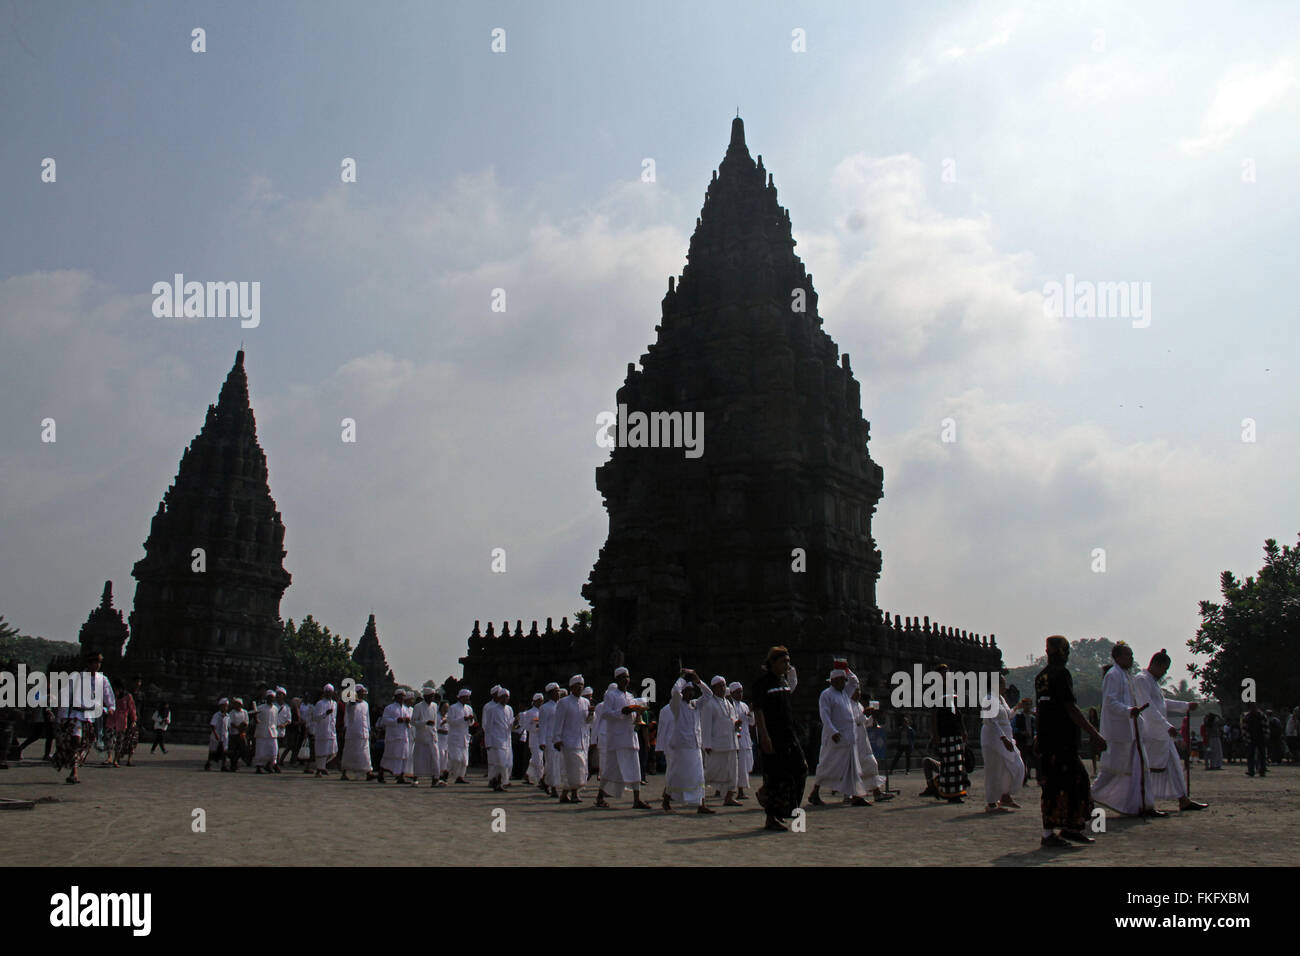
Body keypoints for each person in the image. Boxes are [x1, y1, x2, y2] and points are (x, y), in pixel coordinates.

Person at [1035, 635, 1107, 847]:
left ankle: (1067, 828)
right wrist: (1095, 734)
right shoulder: (1061, 674)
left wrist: (1039, 734)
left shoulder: (1041, 676)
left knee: (1054, 785)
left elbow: (1041, 708)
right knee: (1077, 782)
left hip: (1049, 739)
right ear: (1062, 652)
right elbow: (1071, 708)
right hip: (1061, 739)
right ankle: (1056, 831)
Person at [1092, 642, 1160, 817]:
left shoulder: (1127, 676)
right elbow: (1110, 702)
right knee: (1110, 771)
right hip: (1118, 733)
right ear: (1118, 657)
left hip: (1132, 731)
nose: (1131, 658)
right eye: (1128, 655)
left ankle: (1143, 805)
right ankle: (1088, 796)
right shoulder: (1113, 675)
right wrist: (1129, 711)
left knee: (1139, 768)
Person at [1133, 649, 1207, 811]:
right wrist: (1166, 725)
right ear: (1155, 665)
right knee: (1148, 769)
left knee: (1173, 764)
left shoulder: (1152, 681)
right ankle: (1143, 802)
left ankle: (1183, 799)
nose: (1164, 673)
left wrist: (1185, 706)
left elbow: (1162, 703)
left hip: (1161, 733)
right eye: (1164, 669)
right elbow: (1148, 707)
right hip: (1151, 732)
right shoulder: (1141, 679)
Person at [753, 646, 807, 832]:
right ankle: (771, 817)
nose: (787, 665)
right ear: (773, 663)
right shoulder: (763, 683)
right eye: (783, 661)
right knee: (775, 777)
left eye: (788, 661)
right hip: (773, 736)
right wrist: (764, 737)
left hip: (789, 735)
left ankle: (786, 808)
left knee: (801, 769)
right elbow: (758, 710)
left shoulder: (784, 682)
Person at [808, 664, 868, 807]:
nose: (844, 682)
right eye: (841, 680)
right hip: (835, 737)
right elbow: (825, 715)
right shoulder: (827, 694)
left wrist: (847, 669)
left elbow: (855, 682)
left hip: (849, 737)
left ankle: (855, 795)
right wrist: (833, 731)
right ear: (833, 681)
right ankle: (815, 792)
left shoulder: (845, 693)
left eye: (844, 680)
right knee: (827, 765)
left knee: (852, 767)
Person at [53, 653, 116, 784]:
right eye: (94, 663)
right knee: (76, 740)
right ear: (88, 664)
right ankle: (74, 772)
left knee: (83, 745)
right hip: (74, 715)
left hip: (89, 717)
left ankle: (74, 770)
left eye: (99, 663)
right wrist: (61, 716)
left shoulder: (102, 679)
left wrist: (110, 707)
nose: (96, 666)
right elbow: (65, 695)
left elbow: (108, 694)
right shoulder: (77, 678)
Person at [595, 667, 652, 810]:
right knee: (610, 770)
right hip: (617, 739)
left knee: (635, 768)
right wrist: (622, 711)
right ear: (616, 679)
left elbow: (632, 715)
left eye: (627, 677)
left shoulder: (630, 696)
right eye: (622, 677)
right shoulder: (611, 695)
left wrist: (636, 713)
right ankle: (600, 797)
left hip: (630, 737)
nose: (626, 679)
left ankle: (636, 799)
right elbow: (606, 714)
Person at [664, 670, 710, 814]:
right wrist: (683, 678)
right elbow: (675, 691)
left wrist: (697, 680)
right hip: (681, 747)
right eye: (687, 691)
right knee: (677, 774)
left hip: (695, 746)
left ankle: (701, 804)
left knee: (699, 776)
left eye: (692, 691)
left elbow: (709, 695)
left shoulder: (696, 704)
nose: (690, 693)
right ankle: (666, 800)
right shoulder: (676, 706)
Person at [980, 672, 1025, 813]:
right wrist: (1003, 738)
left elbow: (1008, 716)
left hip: (1006, 738)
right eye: (1002, 684)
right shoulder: (988, 699)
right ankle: (992, 802)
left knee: (1015, 766)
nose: (1005, 687)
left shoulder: (1000, 699)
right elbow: (991, 721)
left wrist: (1017, 708)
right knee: (994, 770)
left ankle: (1005, 795)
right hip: (993, 739)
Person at [698, 674, 742, 807]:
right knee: (711, 772)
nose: (723, 688)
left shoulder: (729, 703)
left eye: (724, 685)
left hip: (731, 743)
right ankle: (698, 795)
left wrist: (736, 725)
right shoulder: (709, 704)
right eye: (720, 686)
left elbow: (732, 720)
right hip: (717, 745)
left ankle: (729, 797)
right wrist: (707, 744)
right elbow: (705, 726)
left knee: (732, 773)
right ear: (714, 688)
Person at [552, 675, 591, 804]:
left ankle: (564, 794)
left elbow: (588, 722)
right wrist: (556, 739)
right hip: (568, 740)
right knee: (573, 768)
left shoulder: (586, 702)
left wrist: (592, 714)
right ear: (571, 687)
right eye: (577, 685)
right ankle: (574, 794)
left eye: (582, 685)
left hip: (582, 740)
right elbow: (558, 722)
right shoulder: (564, 702)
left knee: (579, 768)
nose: (580, 687)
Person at [932, 665, 968, 803]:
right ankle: (951, 793)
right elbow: (934, 714)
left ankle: (955, 790)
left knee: (957, 762)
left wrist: (963, 729)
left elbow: (958, 711)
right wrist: (935, 733)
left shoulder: (952, 690)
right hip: (944, 730)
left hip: (955, 729)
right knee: (949, 763)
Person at [851, 688, 891, 801]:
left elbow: (865, 723)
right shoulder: (848, 705)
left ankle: (876, 792)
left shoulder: (859, 706)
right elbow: (853, 721)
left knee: (871, 765)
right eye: (856, 691)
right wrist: (864, 715)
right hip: (853, 741)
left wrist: (872, 716)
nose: (858, 694)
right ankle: (852, 794)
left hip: (863, 741)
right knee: (854, 769)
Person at [483, 686, 515, 791]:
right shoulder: (492, 710)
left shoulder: (509, 709)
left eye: (507, 697)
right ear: (499, 697)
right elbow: (488, 728)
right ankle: (496, 781)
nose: (505, 699)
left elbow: (511, 725)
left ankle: (498, 782)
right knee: (500, 763)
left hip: (507, 740)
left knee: (507, 763)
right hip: (496, 740)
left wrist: (516, 723)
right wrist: (488, 743)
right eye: (503, 697)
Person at [378, 689, 414, 784]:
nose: (402, 698)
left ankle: (401, 776)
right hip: (393, 737)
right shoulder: (389, 708)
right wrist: (396, 721)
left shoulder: (406, 709)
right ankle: (381, 774)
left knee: (403, 756)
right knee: (389, 756)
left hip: (404, 736)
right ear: (396, 696)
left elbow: (410, 721)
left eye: (403, 696)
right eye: (400, 696)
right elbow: (385, 720)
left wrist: (407, 721)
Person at [341, 684, 375, 780]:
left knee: (365, 753)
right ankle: (344, 772)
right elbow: (349, 704)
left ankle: (368, 772)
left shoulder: (366, 704)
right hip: (352, 733)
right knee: (349, 753)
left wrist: (369, 730)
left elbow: (367, 718)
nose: (363, 695)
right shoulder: (351, 704)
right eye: (361, 693)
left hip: (363, 733)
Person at [413, 686, 444, 786]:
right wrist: (425, 723)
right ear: (425, 696)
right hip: (422, 736)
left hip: (432, 735)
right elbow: (413, 721)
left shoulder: (435, 706)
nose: (432, 698)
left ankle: (436, 778)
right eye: (430, 696)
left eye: (433, 696)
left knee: (435, 756)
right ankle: (415, 778)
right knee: (419, 757)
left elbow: (435, 721)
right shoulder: (418, 707)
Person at [729, 682, 754, 800]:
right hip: (735, 740)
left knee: (747, 765)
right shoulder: (729, 704)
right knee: (739, 767)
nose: (740, 694)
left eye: (741, 691)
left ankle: (738, 790)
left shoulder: (744, 705)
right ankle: (739, 791)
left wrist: (750, 714)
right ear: (732, 693)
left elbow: (752, 723)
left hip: (746, 739)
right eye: (738, 692)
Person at [447, 689, 475, 784]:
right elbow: (450, 721)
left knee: (464, 760)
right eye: (466, 697)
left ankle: (460, 777)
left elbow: (471, 724)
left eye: (468, 697)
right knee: (456, 758)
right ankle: (447, 772)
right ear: (461, 697)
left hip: (464, 736)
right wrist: (463, 719)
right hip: (455, 736)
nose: (467, 699)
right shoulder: (453, 708)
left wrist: (470, 720)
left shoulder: (469, 708)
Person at [538, 683, 562, 795]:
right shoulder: (545, 708)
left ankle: (546, 781)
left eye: (559, 691)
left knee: (558, 764)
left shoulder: (562, 705)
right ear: (550, 694)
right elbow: (542, 726)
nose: (558, 693)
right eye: (556, 691)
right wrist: (541, 741)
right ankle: (553, 787)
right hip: (549, 740)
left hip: (561, 739)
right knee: (551, 764)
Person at [312, 684, 338, 777]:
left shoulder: (334, 703)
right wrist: (325, 714)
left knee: (333, 751)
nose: (329, 694)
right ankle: (319, 769)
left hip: (331, 731)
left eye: (330, 692)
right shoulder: (320, 703)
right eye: (327, 692)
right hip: (322, 731)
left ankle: (322, 767)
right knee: (321, 752)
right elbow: (315, 717)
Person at [520, 693, 545, 785]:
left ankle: (528, 775)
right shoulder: (530, 712)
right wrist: (536, 725)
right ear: (535, 701)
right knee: (538, 759)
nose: (541, 702)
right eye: (539, 700)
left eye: (542, 700)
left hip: (542, 739)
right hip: (534, 739)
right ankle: (540, 779)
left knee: (536, 759)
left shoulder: (543, 711)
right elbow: (526, 726)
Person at [253, 690, 279, 773]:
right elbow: (255, 718)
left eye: (272, 698)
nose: (271, 699)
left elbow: (275, 721)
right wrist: (256, 719)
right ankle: (259, 766)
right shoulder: (260, 708)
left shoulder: (275, 709)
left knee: (273, 750)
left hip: (272, 732)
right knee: (261, 750)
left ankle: (270, 764)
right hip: (262, 731)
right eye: (269, 697)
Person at [205, 698, 230, 772]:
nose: (225, 708)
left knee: (224, 751)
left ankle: (223, 765)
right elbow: (213, 725)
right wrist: (216, 734)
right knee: (213, 751)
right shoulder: (216, 715)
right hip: (216, 735)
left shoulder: (227, 716)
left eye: (226, 706)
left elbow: (228, 726)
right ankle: (208, 764)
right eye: (224, 706)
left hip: (224, 736)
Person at [1244, 702, 1268, 777]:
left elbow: (1266, 726)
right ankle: (1251, 770)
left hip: (1260, 737)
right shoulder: (1247, 717)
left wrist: (1266, 736)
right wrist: (1246, 738)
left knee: (1262, 755)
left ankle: (1262, 770)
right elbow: (1245, 729)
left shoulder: (1262, 715)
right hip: (1251, 738)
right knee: (1251, 755)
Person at [227, 698, 250, 773]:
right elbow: (231, 723)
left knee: (242, 749)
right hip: (234, 733)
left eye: (238, 704)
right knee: (233, 750)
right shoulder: (232, 713)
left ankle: (237, 762)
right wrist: (238, 727)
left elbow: (246, 722)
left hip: (242, 733)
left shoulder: (244, 712)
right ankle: (233, 765)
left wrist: (243, 728)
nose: (237, 705)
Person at [274, 687, 293, 768]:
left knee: (278, 746)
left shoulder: (287, 707)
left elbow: (289, 720)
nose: (278, 696)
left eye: (280, 694)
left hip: (281, 730)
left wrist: (283, 725)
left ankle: (277, 762)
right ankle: (275, 762)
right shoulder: (273, 706)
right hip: (273, 729)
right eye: (277, 694)